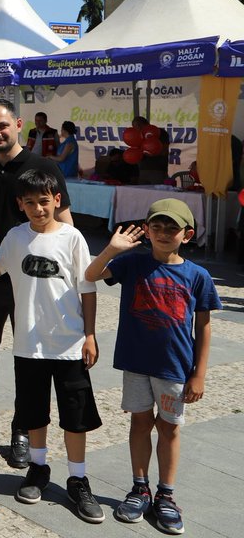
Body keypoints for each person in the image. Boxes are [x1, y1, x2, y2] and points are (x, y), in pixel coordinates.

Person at [0, 168, 103, 523]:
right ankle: (38, 468)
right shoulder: (16, 237)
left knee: (75, 416)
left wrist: (90, 334)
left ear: (57, 200)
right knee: (33, 412)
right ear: (20, 204)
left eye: (44, 201)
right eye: (30, 203)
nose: (38, 208)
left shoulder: (73, 238)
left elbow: (88, 288)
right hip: (29, 344)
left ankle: (78, 478)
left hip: (70, 343)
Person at [84, 201, 221, 534]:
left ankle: (166, 495)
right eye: (156, 227)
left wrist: (199, 374)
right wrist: (112, 250)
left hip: (174, 367)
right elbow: (90, 275)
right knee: (140, 422)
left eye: (172, 228)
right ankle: (140, 488)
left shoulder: (198, 276)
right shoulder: (132, 263)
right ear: (146, 230)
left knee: (170, 428)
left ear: (187, 234)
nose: (163, 234)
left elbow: (203, 326)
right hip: (136, 363)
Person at [0, 98, 72, 469]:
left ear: (18, 125)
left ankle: (23, 429)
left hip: (32, 281)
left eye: (2, 125)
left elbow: (65, 224)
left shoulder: (44, 167)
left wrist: (63, 279)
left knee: (30, 358)